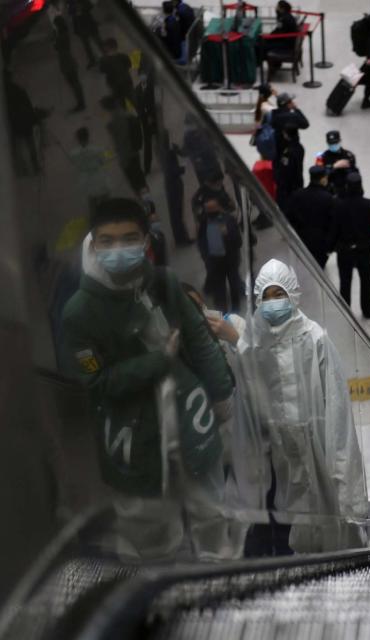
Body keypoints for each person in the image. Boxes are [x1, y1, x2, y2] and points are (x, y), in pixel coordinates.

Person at [62, 198, 236, 560]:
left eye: (129, 239)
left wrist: (221, 394)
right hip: (134, 442)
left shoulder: (163, 283)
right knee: (151, 539)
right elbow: (98, 382)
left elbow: (200, 339)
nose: (118, 249)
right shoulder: (79, 313)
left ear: (145, 242)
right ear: (93, 244)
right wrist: (157, 362)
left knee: (214, 519)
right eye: (107, 241)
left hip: (191, 425)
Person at [239, 259, 368, 554]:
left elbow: (336, 406)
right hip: (276, 457)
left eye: (279, 294)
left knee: (325, 514)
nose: (273, 303)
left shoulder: (314, 338)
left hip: (316, 448)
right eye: (267, 296)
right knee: (288, 521)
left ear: (293, 295)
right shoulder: (252, 346)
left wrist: (341, 472)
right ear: (257, 299)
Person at [331, 172, 370, 319]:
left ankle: (345, 311)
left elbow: (334, 229)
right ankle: (367, 311)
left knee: (345, 282)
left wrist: (330, 247)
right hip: (364, 250)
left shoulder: (338, 206)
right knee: (366, 281)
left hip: (344, 251)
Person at [284, 165, 337, 269]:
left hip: (300, 240)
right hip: (321, 244)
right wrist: (331, 246)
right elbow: (333, 224)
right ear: (323, 179)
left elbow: (288, 217)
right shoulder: (329, 198)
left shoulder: (297, 195)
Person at [198, 197, 243, 313]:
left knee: (234, 285)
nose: (210, 212)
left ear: (218, 207)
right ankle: (222, 313)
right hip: (214, 262)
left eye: (213, 209)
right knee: (219, 290)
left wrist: (227, 234)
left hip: (230, 261)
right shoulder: (204, 222)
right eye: (208, 210)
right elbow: (201, 240)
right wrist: (205, 256)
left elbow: (238, 241)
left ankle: (236, 309)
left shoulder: (229, 220)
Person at [271, 92, 309, 209]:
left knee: (281, 181)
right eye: (290, 102)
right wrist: (296, 109)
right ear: (287, 104)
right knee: (295, 177)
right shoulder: (292, 116)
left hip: (278, 154)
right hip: (293, 152)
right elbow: (305, 124)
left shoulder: (274, 115)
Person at [104, 96, 146, 193]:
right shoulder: (128, 116)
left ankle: (144, 200)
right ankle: (147, 198)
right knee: (140, 177)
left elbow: (117, 143)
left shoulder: (112, 123)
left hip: (125, 156)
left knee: (134, 182)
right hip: (134, 152)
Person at [70, 127, 109, 214]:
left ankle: (94, 219)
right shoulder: (98, 150)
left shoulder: (73, 154)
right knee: (105, 198)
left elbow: (76, 164)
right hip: (99, 178)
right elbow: (103, 161)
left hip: (86, 180)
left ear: (78, 139)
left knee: (92, 201)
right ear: (88, 137)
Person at [53, 14, 85, 112]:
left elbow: (56, 47)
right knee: (75, 83)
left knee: (74, 83)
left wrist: (55, 39)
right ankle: (81, 102)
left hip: (66, 61)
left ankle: (81, 103)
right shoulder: (65, 33)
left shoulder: (61, 36)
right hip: (68, 60)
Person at [315, 130, 358, 197]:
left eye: (335, 142)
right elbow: (318, 176)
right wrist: (334, 166)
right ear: (327, 143)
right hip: (329, 192)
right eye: (331, 143)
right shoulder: (322, 157)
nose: (333, 145)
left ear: (340, 141)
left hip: (345, 192)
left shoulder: (348, 156)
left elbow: (355, 175)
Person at [265, 0, 300, 72]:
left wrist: (268, 37)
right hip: (290, 42)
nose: (276, 8)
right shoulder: (287, 16)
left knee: (264, 45)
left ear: (282, 9)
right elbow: (279, 31)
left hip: (287, 45)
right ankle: (275, 63)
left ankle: (273, 66)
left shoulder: (283, 18)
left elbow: (278, 32)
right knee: (267, 41)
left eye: (277, 7)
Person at [98, 37, 135, 106]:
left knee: (121, 101)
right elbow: (129, 65)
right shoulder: (123, 56)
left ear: (106, 48)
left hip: (114, 84)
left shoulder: (104, 60)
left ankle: (124, 109)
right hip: (126, 81)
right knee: (133, 99)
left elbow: (102, 70)